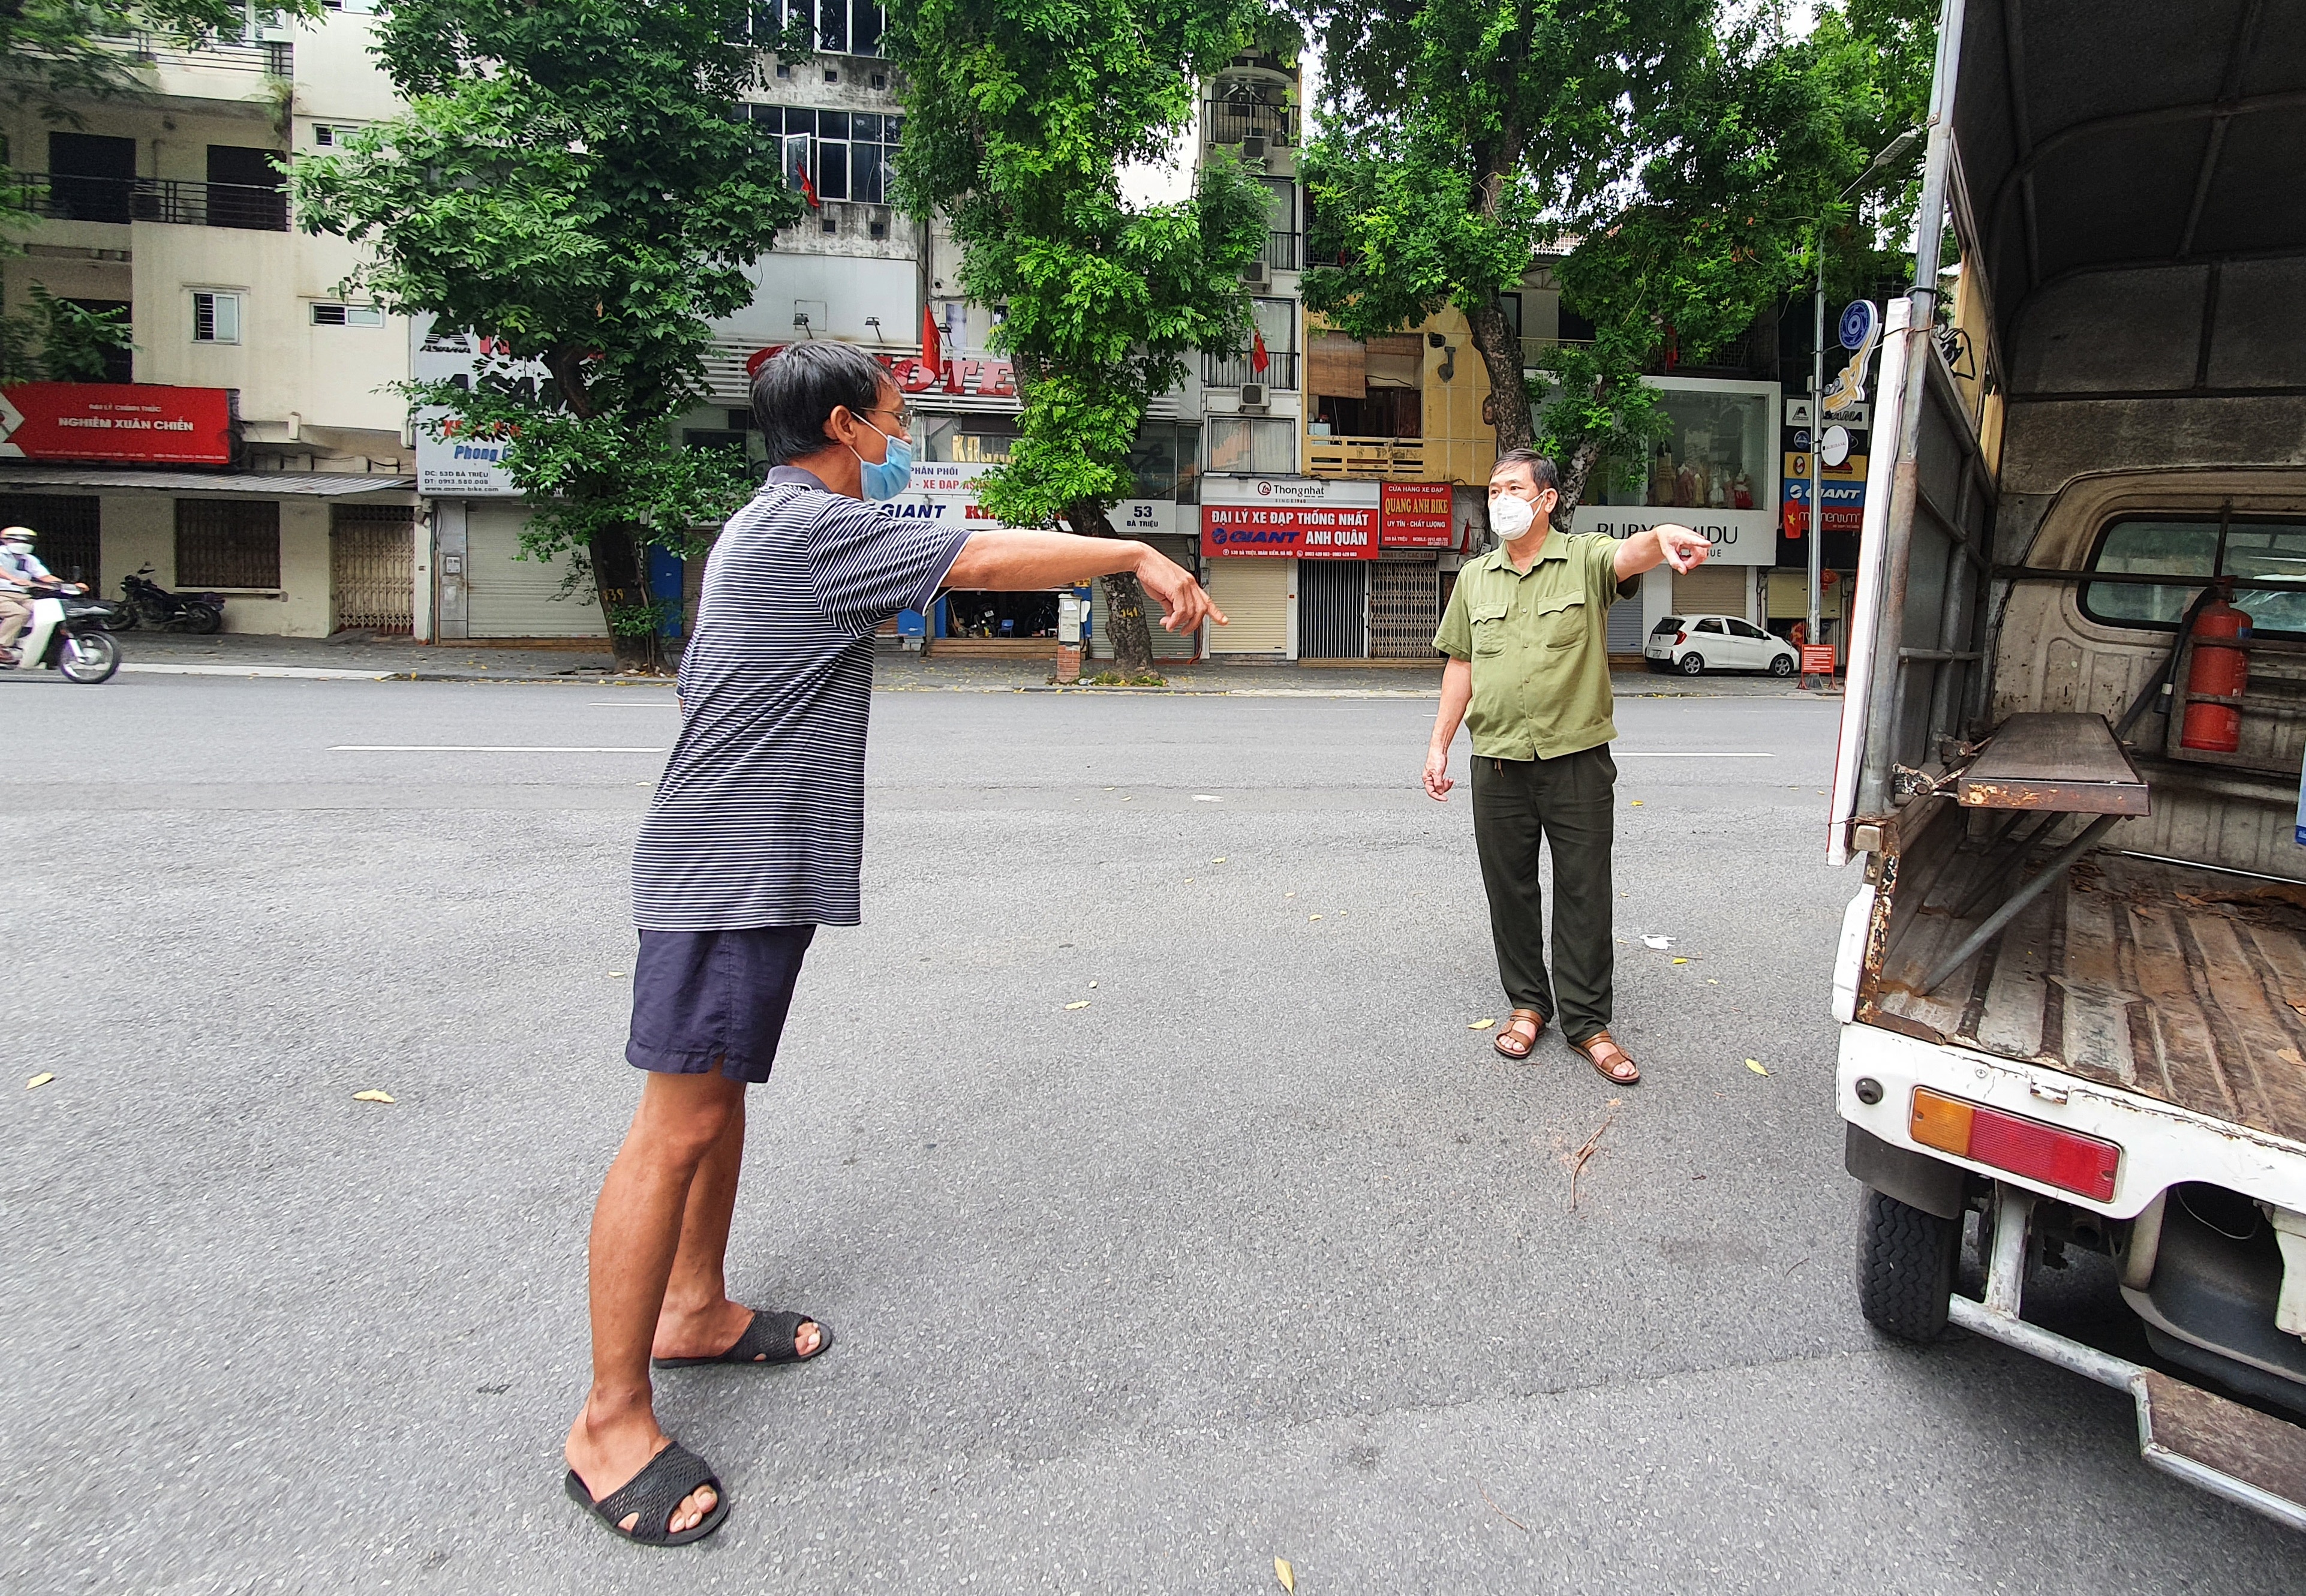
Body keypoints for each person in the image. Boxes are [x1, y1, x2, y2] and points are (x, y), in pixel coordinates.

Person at [561, 340, 1226, 1547]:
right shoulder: (811, 526)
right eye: (893, 416)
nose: (902, 434)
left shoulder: (759, 526)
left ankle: (693, 1305)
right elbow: (975, 552)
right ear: (842, 426)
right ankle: (608, 1417)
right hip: (726, 869)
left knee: (717, 1098)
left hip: (743, 862)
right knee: (675, 1122)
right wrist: (1133, 549)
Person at [1422, 450, 1712, 1086]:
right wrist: (1440, 743)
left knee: (1584, 890)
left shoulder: (1582, 560)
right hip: (1495, 760)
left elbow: (1629, 555)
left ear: (1546, 499)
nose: (1500, 497)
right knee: (1510, 891)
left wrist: (1662, 537)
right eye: (1493, 487)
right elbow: (1461, 665)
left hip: (1575, 759)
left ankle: (1586, 1023)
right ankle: (1527, 1005)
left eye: (1513, 487)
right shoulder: (1475, 578)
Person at [0, 527, 84, 666]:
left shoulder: (29, 559)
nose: (22, 543)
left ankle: (33, 648)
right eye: (16, 539)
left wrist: (69, 585)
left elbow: (44, 576)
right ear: (5, 540)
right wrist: (13, 578)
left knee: (47, 612)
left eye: (27, 540)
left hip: (22, 596)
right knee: (19, 613)